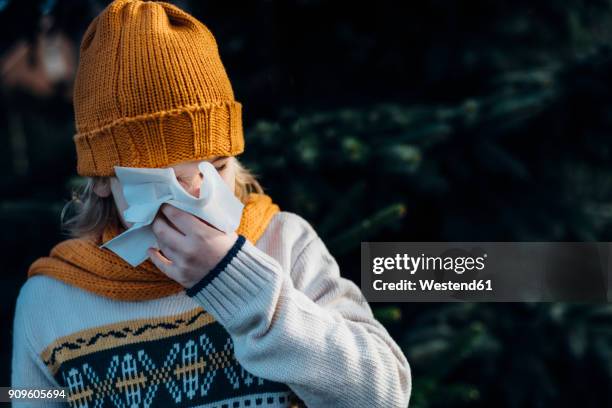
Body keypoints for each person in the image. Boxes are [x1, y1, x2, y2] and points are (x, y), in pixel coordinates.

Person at [11, 1, 412, 407]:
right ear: (101, 181)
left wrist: (238, 283)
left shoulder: (286, 246)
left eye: (216, 168)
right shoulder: (48, 301)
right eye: (165, 182)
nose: (197, 199)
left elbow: (384, 395)